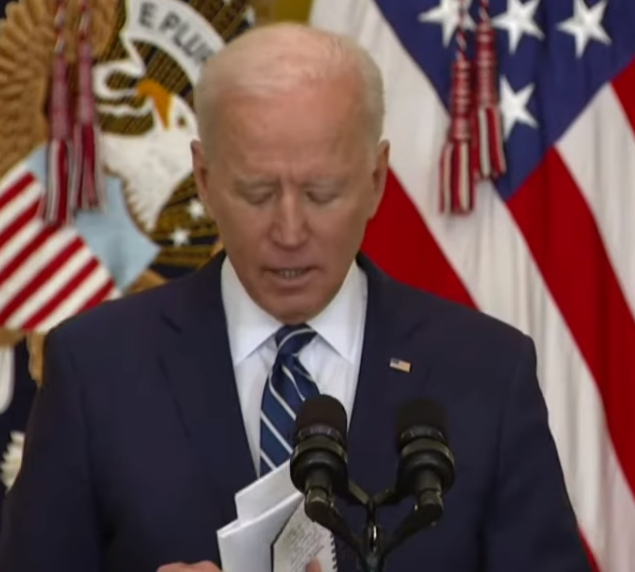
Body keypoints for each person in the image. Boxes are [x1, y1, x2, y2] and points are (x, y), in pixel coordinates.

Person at [0, 22, 591, 572]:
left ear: (376, 179)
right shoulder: (96, 367)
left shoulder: (488, 372)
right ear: (204, 178)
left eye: (321, 193)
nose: (288, 231)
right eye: (257, 193)